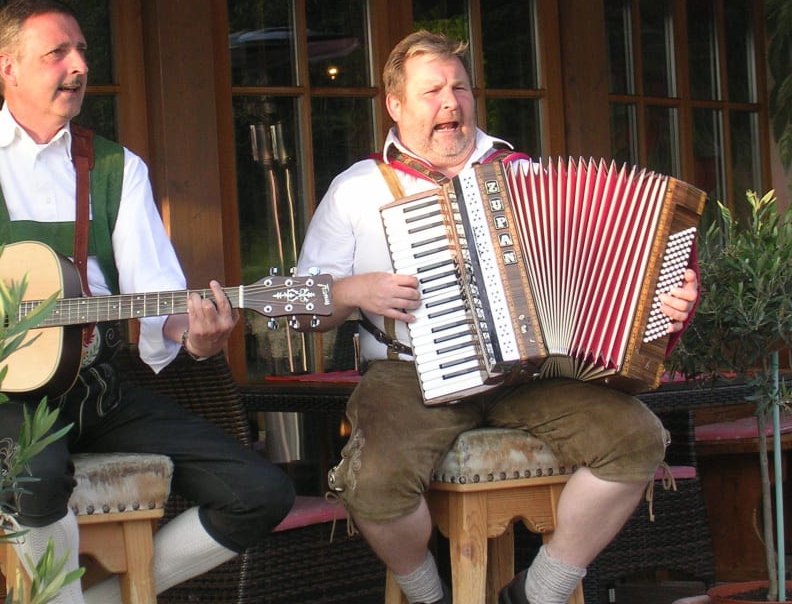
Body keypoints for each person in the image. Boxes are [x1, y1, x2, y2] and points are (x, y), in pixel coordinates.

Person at [0, 0, 295, 604]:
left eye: (81, 50)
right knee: (36, 476)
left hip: (94, 388)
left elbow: (157, 294)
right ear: (8, 67)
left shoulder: (115, 168)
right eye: (57, 53)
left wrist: (195, 337)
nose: (78, 66)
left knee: (260, 491)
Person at [294, 30, 699, 604]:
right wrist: (354, 290)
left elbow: (608, 266)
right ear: (396, 105)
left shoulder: (523, 175)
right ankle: (428, 595)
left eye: (459, 88)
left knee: (637, 439)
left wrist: (667, 299)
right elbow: (303, 309)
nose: (450, 103)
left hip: (527, 372)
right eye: (432, 91)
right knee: (374, 483)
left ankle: (537, 592)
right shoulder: (357, 188)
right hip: (409, 375)